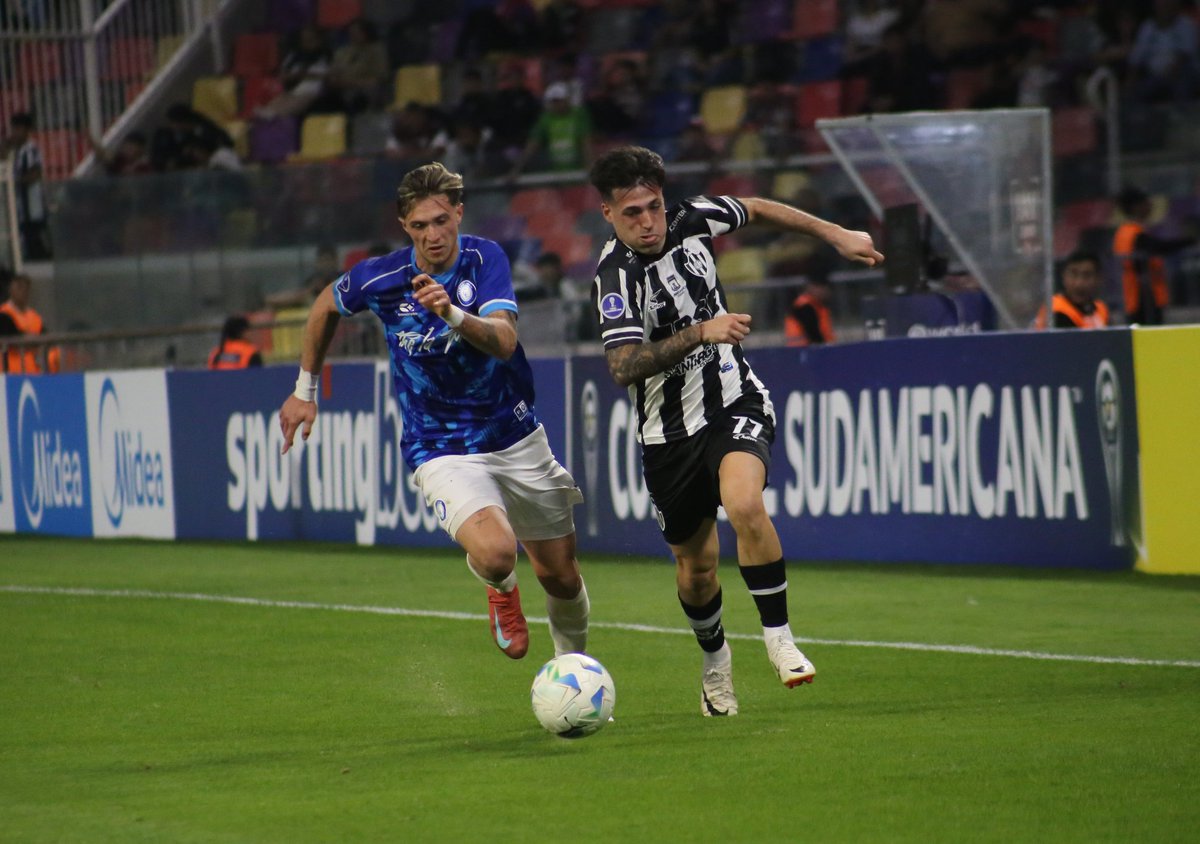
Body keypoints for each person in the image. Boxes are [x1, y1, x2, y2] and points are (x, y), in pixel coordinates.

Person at [588, 146, 883, 716]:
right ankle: (715, 660)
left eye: (653, 207)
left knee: (744, 502)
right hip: (666, 434)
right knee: (696, 569)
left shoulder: (692, 218)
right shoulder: (614, 277)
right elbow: (623, 366)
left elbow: (757, 207)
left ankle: (779, 638)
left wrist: (837, 234)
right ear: (608, 213)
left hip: (733, 400)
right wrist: (702, 331)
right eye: (631, 214)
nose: (647, 222)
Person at [278, 162, 590, 662]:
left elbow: (505, 342)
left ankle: (573, 670)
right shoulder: (380, 277)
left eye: (441, 220)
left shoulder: (485, 259)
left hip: (515, 435)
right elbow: (324, 308)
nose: (433, 235)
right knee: (495, 551)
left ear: (459, 214)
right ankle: (501, 587)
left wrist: (451, 314)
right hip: (439, 446)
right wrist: (304, 389)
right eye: (420, 225)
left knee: (562, 576)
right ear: (405, 226)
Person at [1113, 185, 1197, 325]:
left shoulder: (1127, 231)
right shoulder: (1134, 233)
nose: (1150, 205)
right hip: (1143, 298)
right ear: (1135, 207)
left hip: (1137, 296)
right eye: (1145, 202)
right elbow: (1159, 247)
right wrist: (1190, 240)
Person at [508, 81, 592, 178]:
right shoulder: (545, 119)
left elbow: (586, 143)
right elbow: (532, 145)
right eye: (553, 101)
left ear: (567, 99)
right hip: (555, 173)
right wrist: (516, 169)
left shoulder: (578, 115)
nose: (556, 104)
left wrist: (590, 167)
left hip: (578, 171)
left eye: (559, 100)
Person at [3, 112, 51, 260]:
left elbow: (35, 174)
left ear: (27, 130)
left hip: (32, 204)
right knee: (23, 236)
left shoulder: (31, 149)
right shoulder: (14, 150)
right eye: (14, 129)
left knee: (34, 235)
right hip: (18, 204)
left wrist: (14, 181)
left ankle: (41, 260)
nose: (16, 133)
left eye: (19, 129)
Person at [1035, 250, 1111, 330]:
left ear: (1098, 279)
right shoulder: (1057, 311)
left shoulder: (1101, 309)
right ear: (1063, 276)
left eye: (1087, 275)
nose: (1079, 283)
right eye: (1073, 274)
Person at [0, 272, 56, 373]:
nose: (23, 292)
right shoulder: (3, 314)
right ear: (11, 289)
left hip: (32, 372)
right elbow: (11, 337)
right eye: (19, 287)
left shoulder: (35, 317)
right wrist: (31, 339)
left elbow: (46, 338)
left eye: (26, 288)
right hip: (8, 373)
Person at [784, 277, 836, 346]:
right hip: (804, 349)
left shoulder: (816, 305)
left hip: (806, 349)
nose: (825, 292)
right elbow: (813, 332)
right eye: (822, 288)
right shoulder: (805, 306)